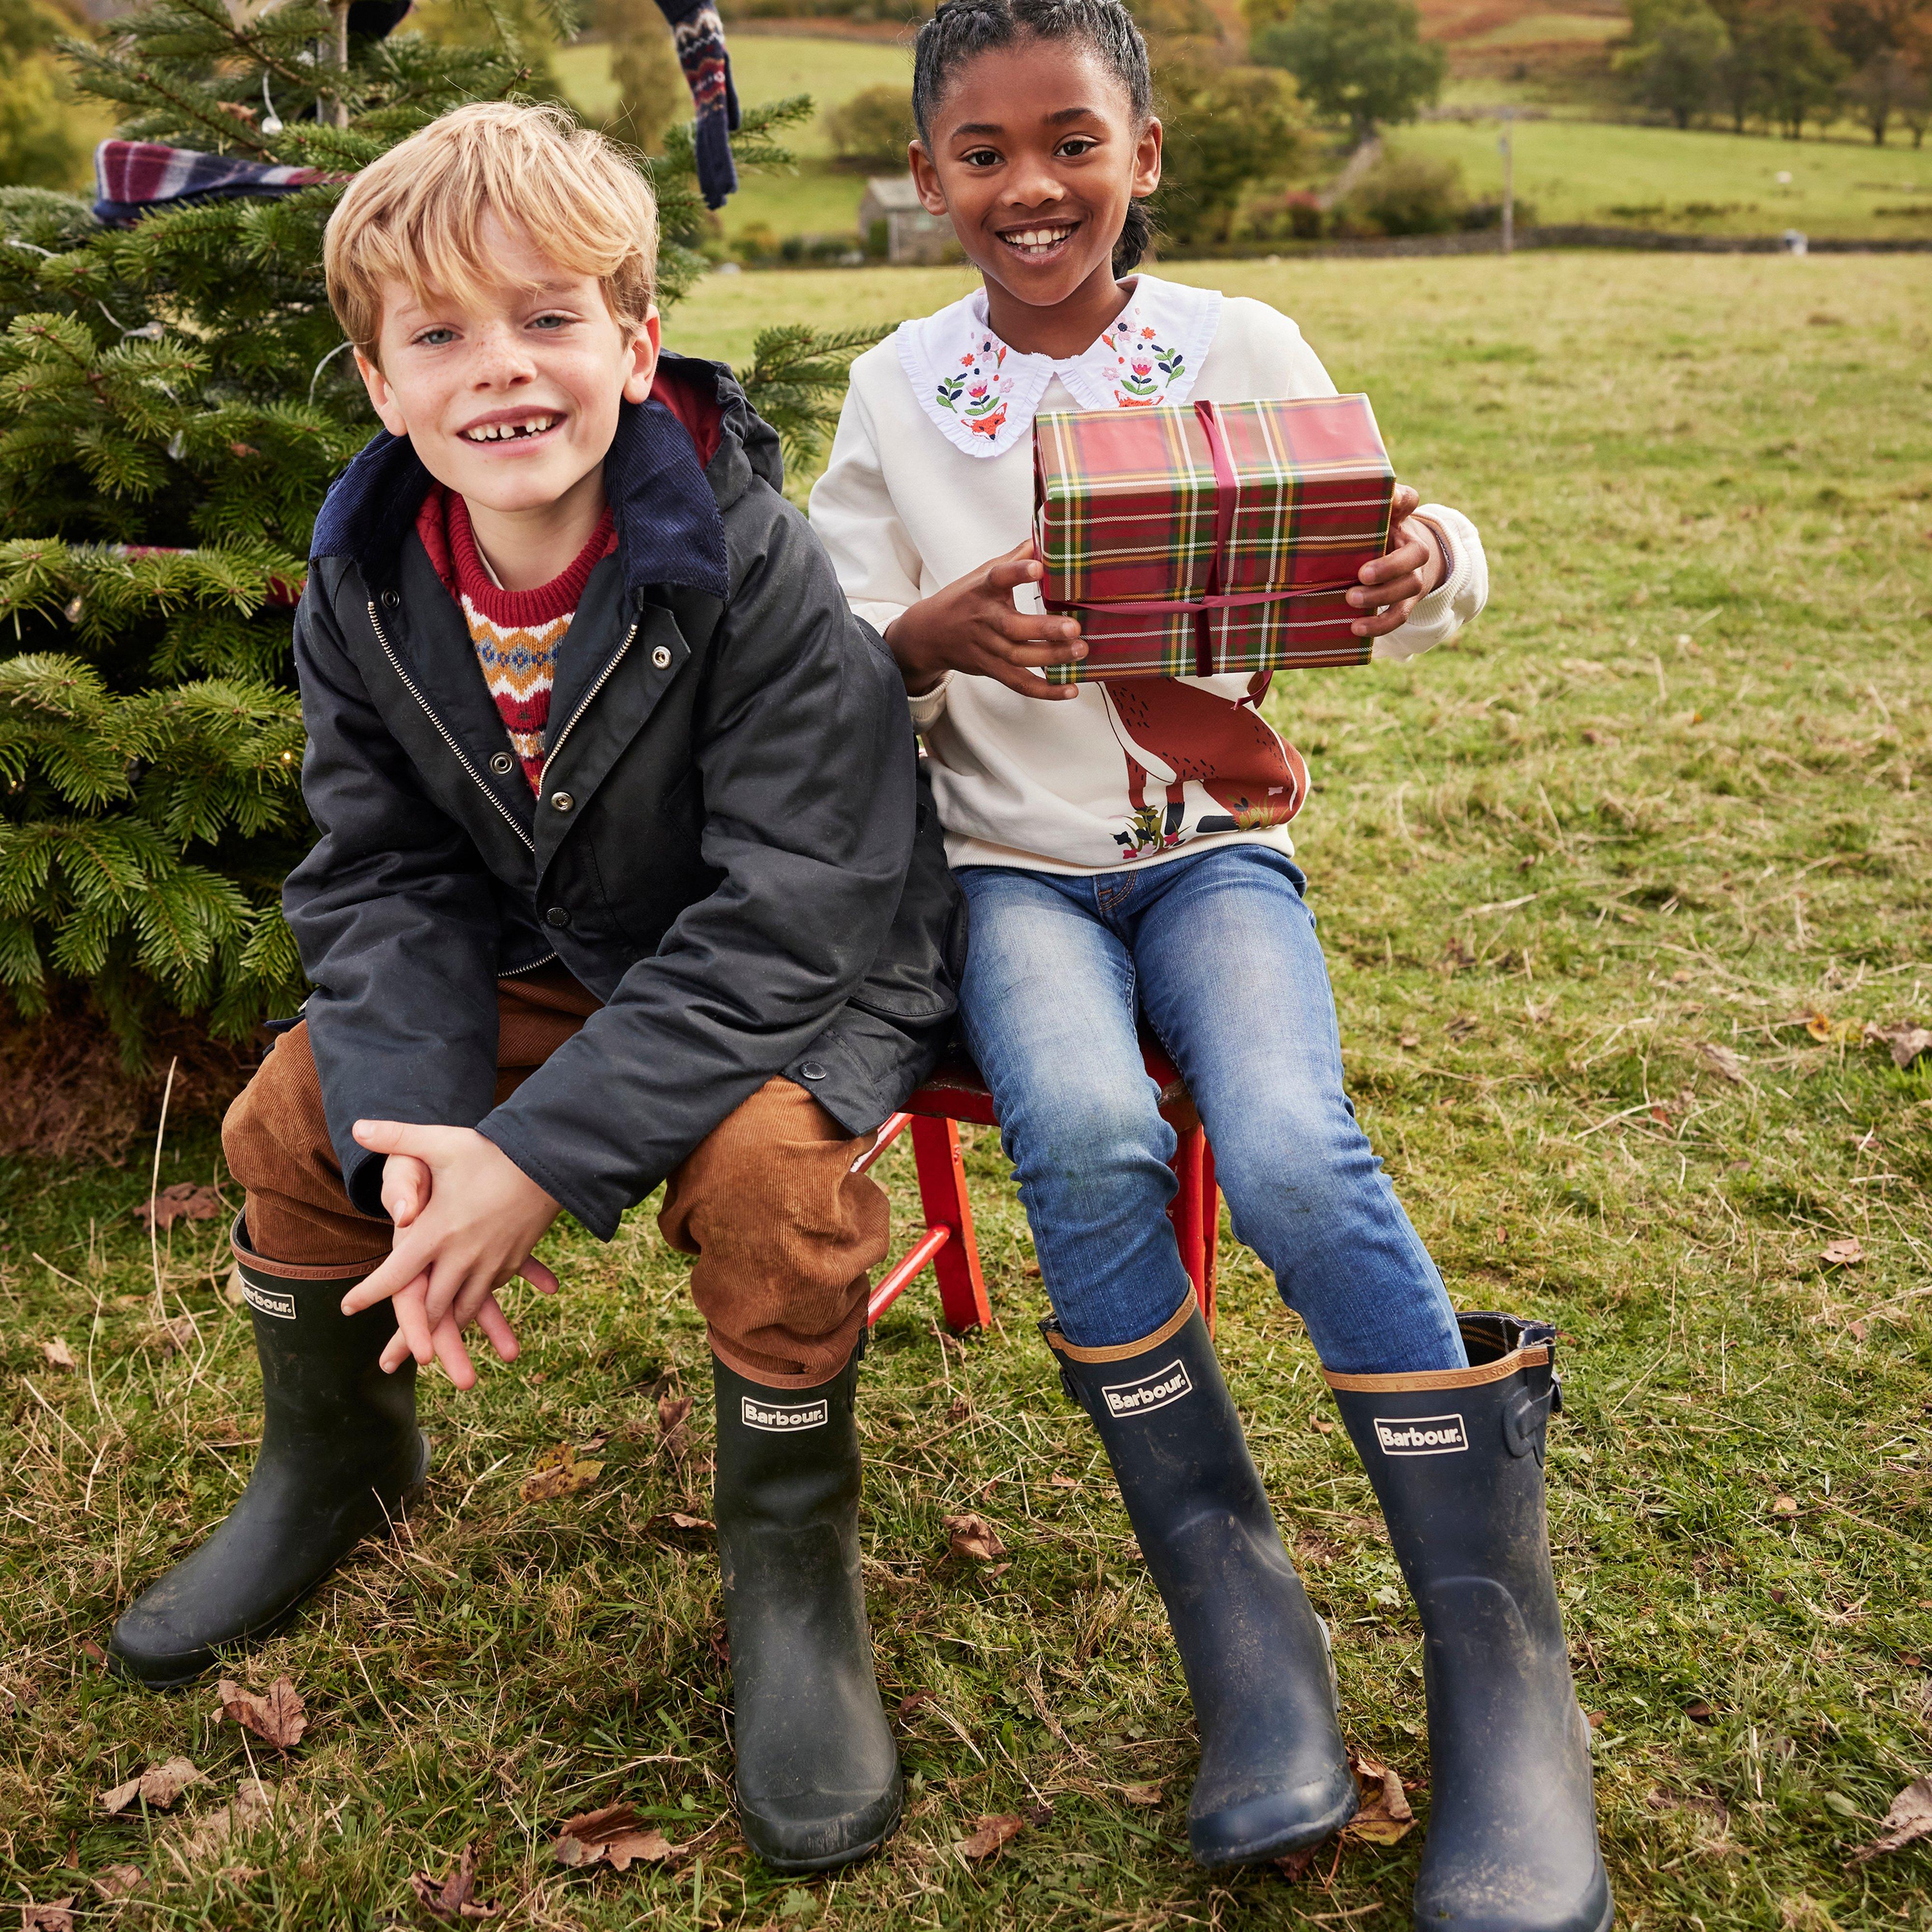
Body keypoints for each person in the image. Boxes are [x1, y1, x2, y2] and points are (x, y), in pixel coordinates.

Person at [808, 4, 1611, 1927]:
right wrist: (926, 633)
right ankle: (1245, 1627)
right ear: (928, 179)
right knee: (1080, 1125)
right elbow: (829, 657)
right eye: (983, 152)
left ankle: (1501, 1658)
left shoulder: (1238, 347)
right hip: (1009, 877)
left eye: (1070, 142)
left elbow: (1380, 540)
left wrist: (1439, 562)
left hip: (1213, 856)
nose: (1030, 185)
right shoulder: (896, 388)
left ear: (1143, 157)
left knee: (1283, 1137)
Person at [107, 101, 959, 1878]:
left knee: (776, 1195)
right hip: (546, 947)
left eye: (550, 320)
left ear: (637, 349)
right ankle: (336, 1472)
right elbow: (386, 870)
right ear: (379, 384)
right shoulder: (365, 580)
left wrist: (535, 1160)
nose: (502, 372)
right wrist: (424, 1131)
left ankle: (793, 1572)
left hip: (784, 970)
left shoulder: (754, 573)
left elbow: (791, 910)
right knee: (294, 1118)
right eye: (441, 335)